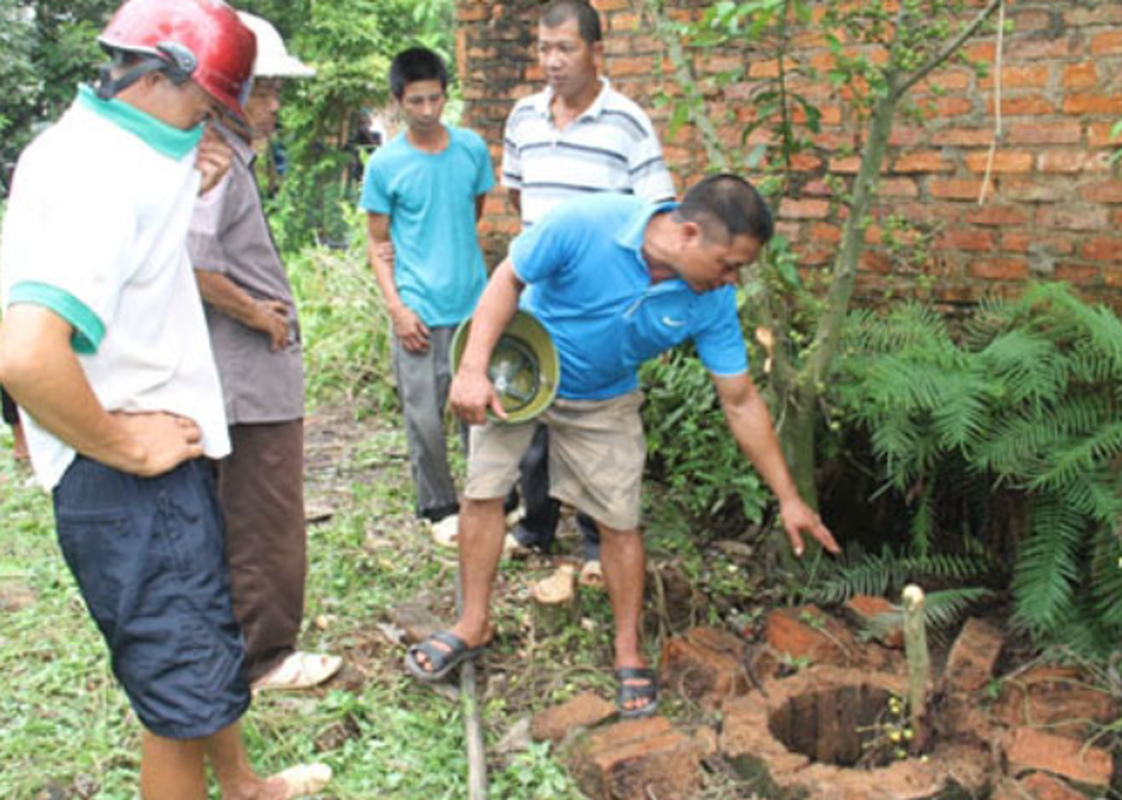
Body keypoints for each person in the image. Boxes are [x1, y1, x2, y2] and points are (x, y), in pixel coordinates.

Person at [0, 0, 329, 796]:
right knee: (176, 700)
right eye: (205, 108)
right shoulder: (101, 177)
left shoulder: (107, 149)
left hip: (161, 471)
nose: (212, 127)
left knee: (204, 644)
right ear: (157, 77)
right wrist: (117, 442)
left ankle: (243, 784)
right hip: (130, 482)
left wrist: (186, 169)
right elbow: (26, 353)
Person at [407, 175, 840, 719]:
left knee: (620, 520)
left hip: (605, 399)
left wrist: (789, 497)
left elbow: (740, 400)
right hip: (521, 369)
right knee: (483, 493)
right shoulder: (586, 222)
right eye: (729, 264)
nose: (733, 279)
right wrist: (471, 369)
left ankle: (627, 648)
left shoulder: (711, 301)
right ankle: (473, 623)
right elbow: (507, 279)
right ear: (687, 234)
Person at [187, 11, 341, 694]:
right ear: (224, 90)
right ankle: (265, 657)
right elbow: (192, 261)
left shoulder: (218, 156)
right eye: (264, 91)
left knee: (240, 515)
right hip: (248, 380)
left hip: (238, 377)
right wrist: (259, 315)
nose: (275, 106)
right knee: (266, 519)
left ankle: (237, 643)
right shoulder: (212, 163)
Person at [502, 0, 677, 577]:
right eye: (544, 49)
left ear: (596, 52)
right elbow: (517, 196)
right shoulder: (523, 117)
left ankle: (598, 544)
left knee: (597, 422)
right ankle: (534, 527)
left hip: (599, 308)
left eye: (565, 49)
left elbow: (656, 210)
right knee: (532, 419)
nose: (552, 61)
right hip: (534, 303)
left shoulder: (626, 122)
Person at [360, 47, 495, 543]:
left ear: (446, 94)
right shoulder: (385, 165)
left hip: (473, 307)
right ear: (398, 101)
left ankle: (487, 496)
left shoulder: (471, 151)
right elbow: (379, 243)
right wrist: (397, 308)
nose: (426, 110)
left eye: (434, 98)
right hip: (417, 310)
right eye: (415, 101)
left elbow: (472, 212)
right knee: (424, 419)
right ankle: (439, 507)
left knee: (478, 410)